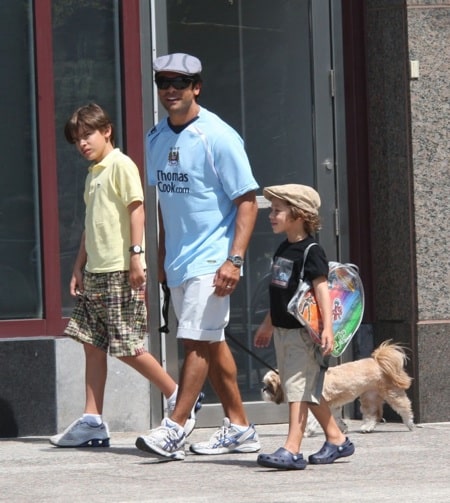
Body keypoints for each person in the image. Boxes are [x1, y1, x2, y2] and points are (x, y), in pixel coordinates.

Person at [135, 53, 261, 461]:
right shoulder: (156, 137)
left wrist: (235, 260)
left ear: (196, 88)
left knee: (195, 341)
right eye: (163, 82)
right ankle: (240, 426)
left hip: (213, 260)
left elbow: (247, 202)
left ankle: (177, 424)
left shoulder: (218, 136)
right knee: (212, 341)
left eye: (179, 82)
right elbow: (163, 202)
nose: (170, 90)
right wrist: (160, 251)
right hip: (178, 261)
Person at [50, 103, 193, 448]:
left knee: (127, 346)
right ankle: (92, 420)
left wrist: (136, 257)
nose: (82, 143)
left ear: (106, 131)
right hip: (96, 271)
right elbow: (89, 224)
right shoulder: (93, 172)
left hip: (119, 270)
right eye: (77, 139)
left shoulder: (120, 164)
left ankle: (180, 399)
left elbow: (137, 209)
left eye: (88, 135)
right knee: (91, 343)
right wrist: (78, 266)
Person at [254, 184, 355, 470]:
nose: (271, 216)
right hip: (283, 331)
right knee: (305, 389)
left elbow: (321, 289)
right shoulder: (284, 248)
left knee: (297, 390)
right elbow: (282, 293)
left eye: (277, 211)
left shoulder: (312, 251)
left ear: (298, 214)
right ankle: (336, 439)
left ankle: (292, 449)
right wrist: (268, 324)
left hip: (302, 333)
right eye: (271, 210)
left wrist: (328, 328)